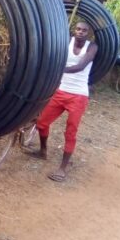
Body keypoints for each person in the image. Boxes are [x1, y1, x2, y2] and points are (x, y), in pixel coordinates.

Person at [25, 21, 98, 182]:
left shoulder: (92, 47)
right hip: (60, 91)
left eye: (84, 30)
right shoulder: (67, 42)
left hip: (78, 95)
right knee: (42, 123)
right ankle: (43, 151)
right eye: (78, 29)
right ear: (74, 30)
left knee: (71, 131)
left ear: (88, 34)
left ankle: (63, 168)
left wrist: (58, 69)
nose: (80, 32)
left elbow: (81, 66)